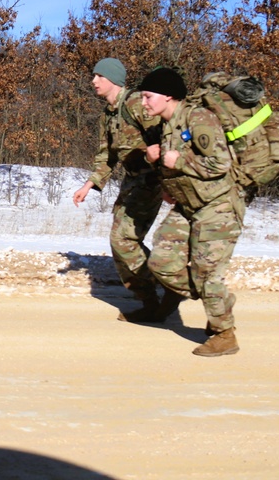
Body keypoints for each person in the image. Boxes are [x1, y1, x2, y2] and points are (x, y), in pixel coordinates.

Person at [139, 67, 244, 357]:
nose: (144, 102)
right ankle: (219, 301)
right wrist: (159, 166)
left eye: (148, 96)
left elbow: (220, 164)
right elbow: (174, 166)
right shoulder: (167, 125)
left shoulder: (199, 118)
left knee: (207, 275)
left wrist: (179, 160)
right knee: (161, 262)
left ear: (168, 96)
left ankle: (225, 334)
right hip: (189, 207)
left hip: (218, 207)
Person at [73, 58, 164, 321]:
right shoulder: (108, 114)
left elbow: (163, 136)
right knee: (120, 241)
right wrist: (89, 184)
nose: (93, 81)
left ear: (112, 79)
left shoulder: (136, 103)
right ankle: (155, 291)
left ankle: (159, 290)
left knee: (123, 240)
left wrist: (168, 178)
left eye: (98, 76)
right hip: (132, 181)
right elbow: (107, 155)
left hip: (151, 180)